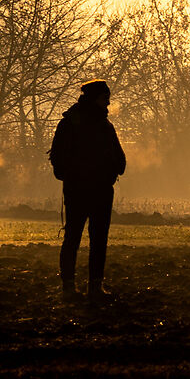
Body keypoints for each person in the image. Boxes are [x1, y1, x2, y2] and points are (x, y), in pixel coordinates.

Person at [48, 80, 126, 297]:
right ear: (95, 98)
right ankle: (84, 286)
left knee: (81, 237)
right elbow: (59, 158)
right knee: (86, 237)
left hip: (84, 189)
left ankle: (77, 285)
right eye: (104, 98)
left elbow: (57, 159)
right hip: (89, 189)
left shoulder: (77, 123)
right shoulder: (94, 124)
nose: (108, 103)